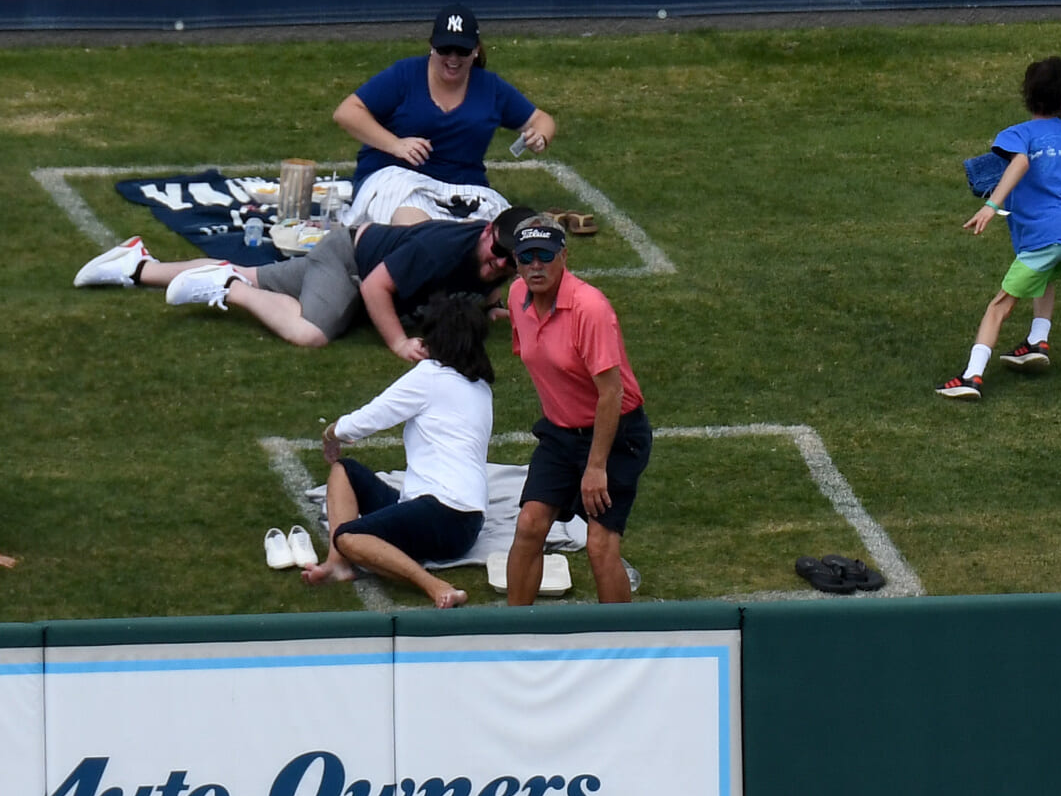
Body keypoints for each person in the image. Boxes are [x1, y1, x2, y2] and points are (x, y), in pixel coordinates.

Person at [72, 206, 533, 358]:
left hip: (348, 255)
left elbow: (482, 285)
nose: (500, 265)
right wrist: (397, 344)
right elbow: (375, 288)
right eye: (497, 254)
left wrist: (489, 303)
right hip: (350, 265)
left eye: (511, 264)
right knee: (311, 333)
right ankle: (228, 292)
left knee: (252, 270)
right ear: (487, 230)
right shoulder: (442, 248)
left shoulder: (488, 259)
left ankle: (137, 266)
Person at [301, 294, 494, 609]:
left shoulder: (430, 376)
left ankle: (435, 586)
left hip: (446, 514)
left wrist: (331, 432)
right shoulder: (480, 387)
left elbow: (371, 417)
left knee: (349, 537)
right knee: (344, 471)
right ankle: (338, 564)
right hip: (458, 516)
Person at [504, 216, 651, 604]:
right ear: (516, 261)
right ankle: (511, 633)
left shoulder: (590, 309)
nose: (536, 266)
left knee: (600, 545)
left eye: (545, 256)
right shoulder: (517, 297)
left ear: (564, 256)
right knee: (529, 525)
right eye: (526, 257)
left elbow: (611, 394)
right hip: (560, 433)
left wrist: (596, 466)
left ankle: (621, 646)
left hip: (614, 435)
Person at [936, 57, 1061, 400]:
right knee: (1046, 276)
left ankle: (971, 376)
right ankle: (1036, 341)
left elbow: (1022, 161)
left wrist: (991, 204)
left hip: (1047, 237)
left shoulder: (1018, 135)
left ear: (1027, 95)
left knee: (1000, 305)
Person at [334, 3, 556, 228]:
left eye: (462, 51)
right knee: (416, 228)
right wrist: (395, 145)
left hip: (464, 188)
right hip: (398, 179)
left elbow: (541, 120)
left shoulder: (490, 87)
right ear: (432, 46)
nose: (453, 58)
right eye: (445, 49)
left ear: (476, 50)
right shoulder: (405, 75)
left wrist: (540, 136)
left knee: (494, 240)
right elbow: (347, 112)